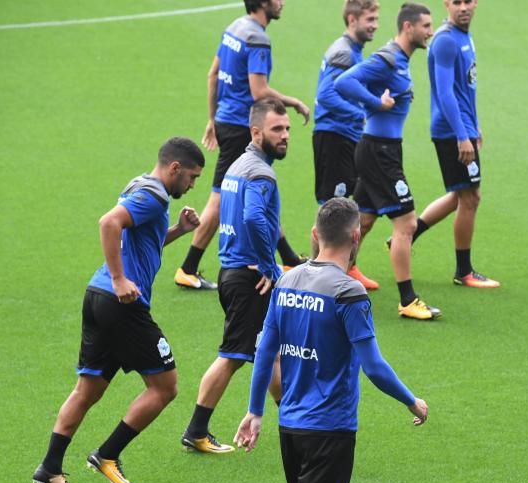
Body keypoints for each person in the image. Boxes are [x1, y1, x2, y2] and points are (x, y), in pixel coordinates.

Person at [225, 197, 429, 483]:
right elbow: (373, 366)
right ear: (357, 236)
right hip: (329, 429)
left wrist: (256, 411)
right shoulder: (348, 294)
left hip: (291, 424)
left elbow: (266, 351)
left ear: (315, 234)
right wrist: (411, 400)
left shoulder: (288, 278)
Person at [32, 138, 205, 483]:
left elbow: (139, 242)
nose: (191, 186)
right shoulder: (155, 195)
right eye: (191, 177)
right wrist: (119, 278)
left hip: (97, 298)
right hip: (120, 302)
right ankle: (107, 454)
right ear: (174, 168)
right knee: (165, 387)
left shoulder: (139, 184)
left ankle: (49, 467)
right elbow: (109, 222)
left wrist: (178, 231)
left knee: (89, 388)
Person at [181, 98, 291, 456]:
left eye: (287, 128)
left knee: (270, 351)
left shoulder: (237, 167)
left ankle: (294, 420)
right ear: (256, 132)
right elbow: (254, 218)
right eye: (277, 129)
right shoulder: (260, 172)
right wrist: (270, 265)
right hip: (248, 278)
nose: (285, 135)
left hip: (232, 272)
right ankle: (196, 430)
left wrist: (286, 256)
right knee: (232, 356)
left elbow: (264, 220)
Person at [175, 0, 309, 292]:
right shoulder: (258, 38)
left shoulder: (234, 28)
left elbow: (213, 74)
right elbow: (259, 91)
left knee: (254, 191)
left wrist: (212, 118)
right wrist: (294, 102)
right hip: (241, 126)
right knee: (222, 196)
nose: (282, 3)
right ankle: (188, 267)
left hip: (226, 119)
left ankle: (287, 256)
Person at [335, 3, 441, 320]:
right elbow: (343, 83)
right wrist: (374, 104)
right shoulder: (387, 58)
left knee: (363, 221)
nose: (430, 31)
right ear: (408, 27)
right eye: (425, 25)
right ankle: (408, 300)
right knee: (406, 223)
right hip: (379, 151)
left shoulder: (401, 60)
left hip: (382, 149)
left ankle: (333, 277)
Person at [408, 0, 500, 288]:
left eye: (468, 1)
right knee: (470, 198)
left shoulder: (463, 36)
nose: (464, 7)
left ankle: (406, 235)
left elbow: (464, 89)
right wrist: (462, 135)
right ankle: (464, 271)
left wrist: (474, 127)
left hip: (461, 127)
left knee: (460, 194)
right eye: (456, 2)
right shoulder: (446, 41)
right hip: (451, 132)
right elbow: (446, 94)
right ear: (446, 4)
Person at [313, 0, 382, 291]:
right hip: (334, 136)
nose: (375, 25)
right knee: (331, 209)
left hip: (345, 137)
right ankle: (315, 274)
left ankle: (347, 267)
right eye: (370, 18)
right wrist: (362, 112)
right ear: (352, 19)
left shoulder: (351, 50)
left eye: (376, 19)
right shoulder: (343, 52)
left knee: (350, 205)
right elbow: (326, 95)